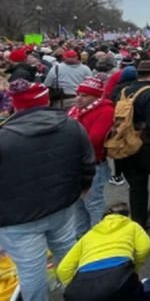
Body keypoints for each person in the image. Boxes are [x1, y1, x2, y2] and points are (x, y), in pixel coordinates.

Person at [0, 80, 95, 301]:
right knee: (69, 257)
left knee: (32, 272)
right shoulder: (72, 125)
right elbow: (87, 162)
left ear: (16, 106)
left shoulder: (4, 137)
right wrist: (82, 189)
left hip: (18, 219)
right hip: (62, 206)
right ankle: (77, 296)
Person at [112, 60, 150, 229]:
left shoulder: (124, 91)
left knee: (137, 186)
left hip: (126, 142)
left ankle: (139, 221)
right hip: (147, 144)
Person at [56, 202, 150, 301]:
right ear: (126, 215)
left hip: (83, 286)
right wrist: (135, 267)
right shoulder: (132, 226)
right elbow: (145, 247)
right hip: (119, 275)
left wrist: (76, 285)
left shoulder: (88, 235)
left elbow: (63, 269)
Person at [68, 76, 116, 236]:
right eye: (78, 94)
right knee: (77, 204)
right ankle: (81, 236)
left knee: (93, 203)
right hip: (74, 164)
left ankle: (98, 236)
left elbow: (95, 139)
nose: (79, 98)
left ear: (95, 96)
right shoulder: (75, 110)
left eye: (84, 95)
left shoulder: (106, 111)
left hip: (92, 164)